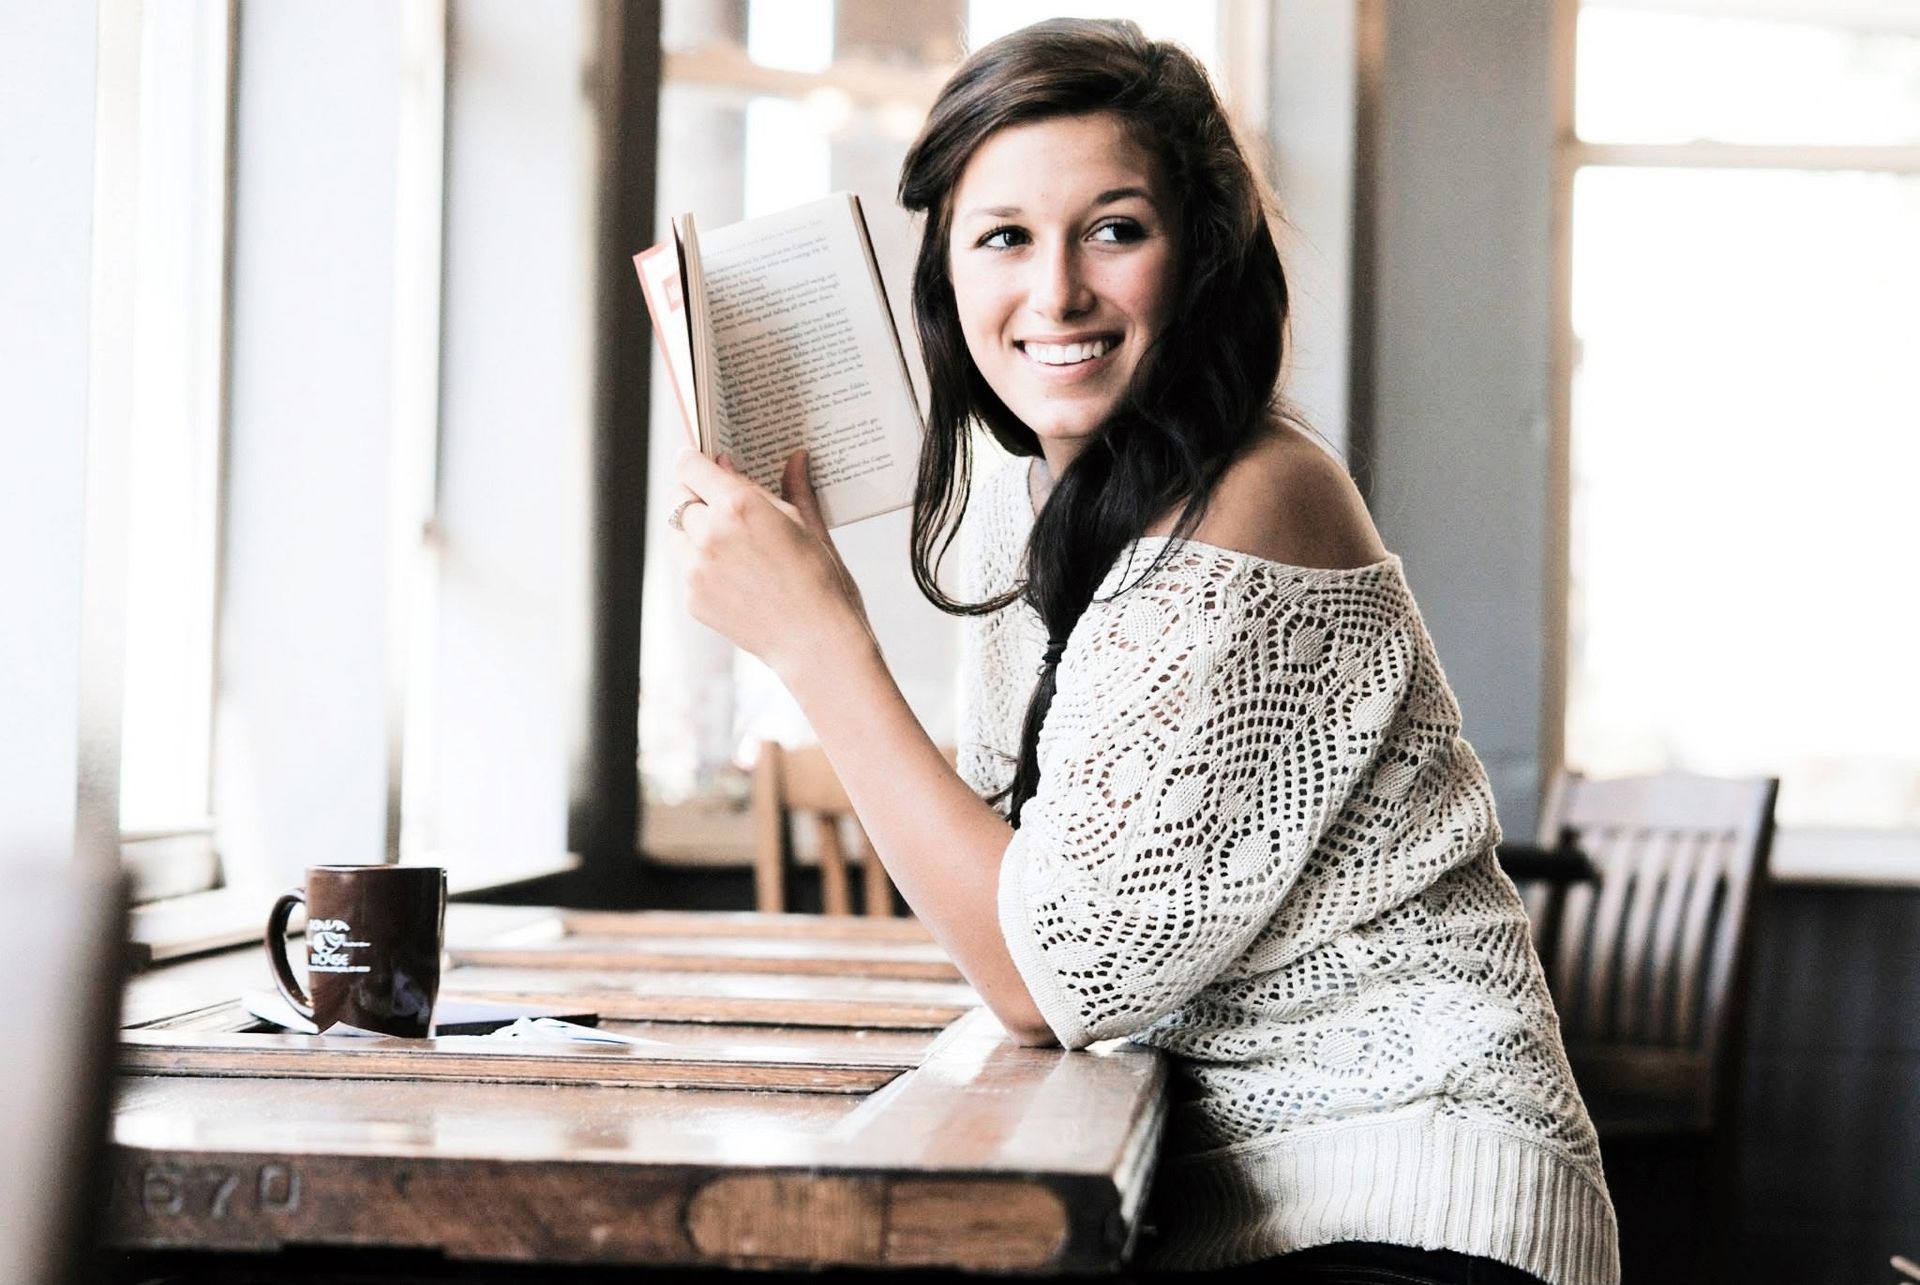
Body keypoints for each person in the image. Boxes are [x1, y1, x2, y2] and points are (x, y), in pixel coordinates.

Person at [665, 18, 1618, 1285]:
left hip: (1417, 1196)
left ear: (1202, 257)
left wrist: (815, 642)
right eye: (1004, 237)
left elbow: (1046, 974)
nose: (1057, 291)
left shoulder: (1257, 495)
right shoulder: (1032, 501)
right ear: (945, 275)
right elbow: (1014, 871)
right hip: (1240, 1204)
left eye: (1114, 230)